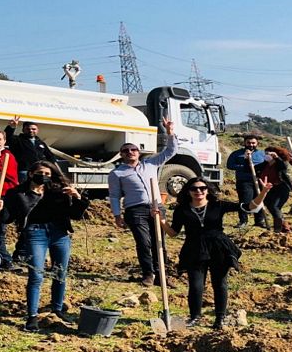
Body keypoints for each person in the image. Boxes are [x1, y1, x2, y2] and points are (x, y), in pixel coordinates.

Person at [157, 176, 271, 329]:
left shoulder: (218, 205)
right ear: (188, 191)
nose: (199, 191)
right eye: (194, 189)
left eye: (202, 188)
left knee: (220, 283)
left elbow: (249, 207)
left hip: (219, 247)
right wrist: (161, 221)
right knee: (196, 285)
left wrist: (263, 191)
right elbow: (173, 233)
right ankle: (195, 317)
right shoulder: (182, 209)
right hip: (194, 248)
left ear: (207, 190)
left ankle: (219, 319)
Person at [0, 161, 89, 332]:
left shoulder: (58, 191)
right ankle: (32, 316)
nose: (45, 177)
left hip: (60, 233)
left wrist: (77, 197)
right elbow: (7, 219)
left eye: (48, 174)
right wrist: (1, 208)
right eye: (41, 173)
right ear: (31, 174)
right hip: (35, 233)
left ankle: (57, 308)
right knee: (36, 274)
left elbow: (76, 214)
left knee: (60, 272)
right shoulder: (17, 193)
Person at [108, 117, 177, 287]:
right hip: (135, 211)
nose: (130, 152)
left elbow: (171, 151)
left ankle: (161, 274)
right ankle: (148, 274)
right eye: (126, 151)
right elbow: (115, 196)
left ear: (138, 152)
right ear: (121, 155)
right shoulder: (117, 173)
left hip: (156, 207)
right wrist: (117, 215)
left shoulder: (151, 163)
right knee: (144, 242)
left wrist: (170, 133)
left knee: (159, 242)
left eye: (133, 149)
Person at [253, 146, 292, 233]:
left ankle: (278, 228)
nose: (267, 155)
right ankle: (284, 227)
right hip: (269, 189)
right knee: (271, 208)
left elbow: (283, 167)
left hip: (281, 188)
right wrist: (247, 159)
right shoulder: (265, 164)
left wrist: (276, 158)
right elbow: (253, 168)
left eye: (269, 154)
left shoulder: (280, 163)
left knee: (275, 206)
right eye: (266, 153)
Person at [226, 134, 269, 228]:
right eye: (248, 142)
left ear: (257, 143)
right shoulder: (236, 154)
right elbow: (229, 165)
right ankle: (243, 221)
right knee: (245, 200)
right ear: (244, 143)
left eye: (253, 143)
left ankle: (259, 221)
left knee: (259, 200)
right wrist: (244, 166)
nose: (251, 144)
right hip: (244, 181)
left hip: (259, 181)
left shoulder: (262, 154)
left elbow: (267, 166)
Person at [4, 116, 57, 183]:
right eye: (28, 129)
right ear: (23, 130)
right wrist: (11, 127)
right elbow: (7, 137)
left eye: (33, 129)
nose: (31, 130)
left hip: (38, 171)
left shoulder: (40, 143)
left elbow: (50, 156)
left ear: (37, 130)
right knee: (24, 190)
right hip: (24, 171)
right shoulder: (17, 140)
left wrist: (51, 168)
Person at [0, 130, 19, 271]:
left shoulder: (8, 157)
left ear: (4, 141)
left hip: (3, 197)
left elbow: (11, 178)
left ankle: (6, 260)